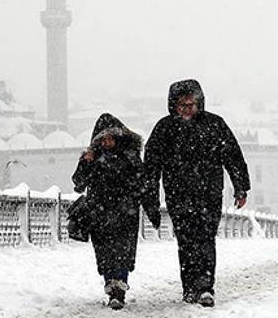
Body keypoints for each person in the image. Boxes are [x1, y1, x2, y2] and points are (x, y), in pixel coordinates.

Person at [143, 79, 250, 308]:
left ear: (199, 103)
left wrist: (241, 186)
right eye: (182, 105)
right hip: (178, 195)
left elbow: (232, 155)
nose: (187, 109)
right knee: (186, 240)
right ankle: (190, 287)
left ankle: (205, 287)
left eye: (191, 104)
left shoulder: (214, 125)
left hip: (208, 193)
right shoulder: (164, 129)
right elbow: (151, 166)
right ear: (174, 105)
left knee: (205, 239)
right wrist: (150, 197)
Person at [72, 113, 159, 310]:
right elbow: (78, 183)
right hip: (100, 214)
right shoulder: (93, 159)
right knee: (104, 253)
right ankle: (111, 285)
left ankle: (118, 288)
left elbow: (143, 186)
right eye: (103, 138)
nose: (108, 141)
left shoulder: (130, 158)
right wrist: (85, 162)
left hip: (125, 214)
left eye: (111, 137)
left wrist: (151, 208)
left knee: (122, 252)